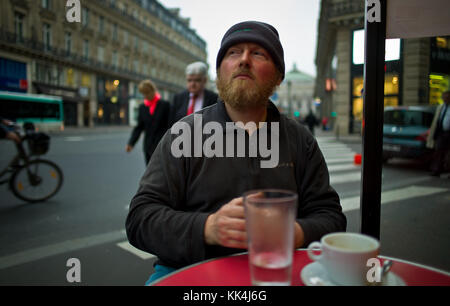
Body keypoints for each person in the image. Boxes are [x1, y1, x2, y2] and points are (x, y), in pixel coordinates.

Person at [126, 21, 346, 284]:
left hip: (275, 271)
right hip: (190, 271)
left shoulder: (300, 141)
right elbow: (140, 219)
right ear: (219, 73)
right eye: (233, 53)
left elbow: (331, 217)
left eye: (258, 53)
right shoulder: (183, 134)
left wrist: (294, 232)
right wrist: (207, 228)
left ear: (278, 77)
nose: (243, 60)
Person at [126, 80, 171, 165]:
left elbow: (170, 125)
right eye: (143, 94)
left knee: (163, 173)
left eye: (147, 93)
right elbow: (139, 127)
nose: (145, 96)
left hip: (162, 145)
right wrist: (131, 143)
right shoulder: (142, 107)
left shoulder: (165, 105)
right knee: (150, 173)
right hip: (148, 146)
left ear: (153, 91)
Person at [169, 62, 218, 126]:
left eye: (197, 80)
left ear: (205, 80)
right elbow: (171, 123)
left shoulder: (214, 99)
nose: (192, 84)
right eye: (189, 80)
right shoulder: (178, 98)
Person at [427, 90, 450, 177]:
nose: (445, 99)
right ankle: (436, 170)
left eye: (447, 97)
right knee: (438, 151)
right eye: (444, 97)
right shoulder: (441, 107)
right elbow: (436, 120)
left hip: (449, 133)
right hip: (441, 133)